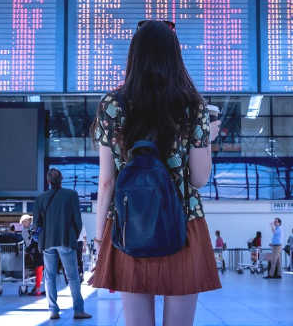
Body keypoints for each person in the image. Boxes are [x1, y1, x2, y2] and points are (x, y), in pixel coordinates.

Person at [89, 20, 222, 326]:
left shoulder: (112, 104)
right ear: (175, 56)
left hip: (128, 225)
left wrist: (100, 238)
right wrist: (206, 141)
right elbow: (200, 179)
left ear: (134, 55)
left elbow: (107, 180)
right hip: (183, 225)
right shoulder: (193, 105)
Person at [34, 168, 91, 321]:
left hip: (47, 242)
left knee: (50, 276)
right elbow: (78, 221)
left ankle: (53, 311)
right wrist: (73, 236)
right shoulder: (71, 195)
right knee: (72, 277)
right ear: (61, 179)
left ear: (48, 181)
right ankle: (78, 310)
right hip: (66, 240)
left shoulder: (40, 198)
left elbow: (36, 224)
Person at [20, 214, 43, 296]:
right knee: (38, 268)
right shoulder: (25, 231)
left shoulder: (33, 229)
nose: (24, 223)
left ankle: (37, 287)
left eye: (26, 221)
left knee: (39, 268)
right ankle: (37, 287)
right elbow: (29, 243)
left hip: (36, 251)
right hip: (33, 252)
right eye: (23, 222)